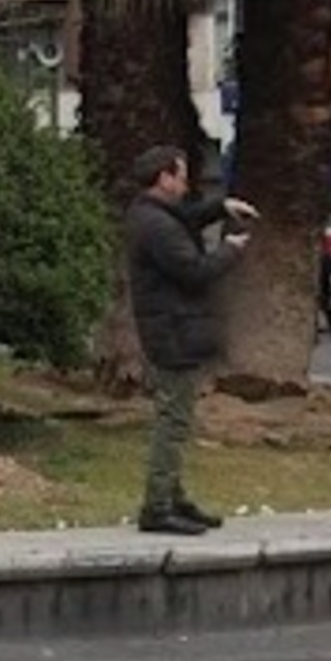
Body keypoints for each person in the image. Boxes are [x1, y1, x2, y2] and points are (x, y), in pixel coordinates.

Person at [123, 146, 252, 537]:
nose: (186, 183)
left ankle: (173, 497)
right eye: (180, 175)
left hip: (172, 327)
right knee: (173, 420)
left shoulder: (153, 215)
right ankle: (158, 506)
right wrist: (229, 252)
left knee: (177, 416)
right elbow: (193, 271)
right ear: (163, 178)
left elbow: (187, 219)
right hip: (172, 331)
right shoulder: (156, 226)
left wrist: (220, 207)